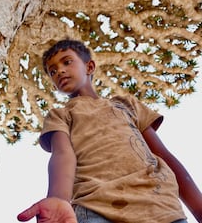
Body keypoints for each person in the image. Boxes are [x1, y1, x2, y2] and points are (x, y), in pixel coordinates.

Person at [17, 38, 202, 223]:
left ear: (89, 67)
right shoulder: (61, 114)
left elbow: (163, 155)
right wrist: (58, 199)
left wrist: (199, 208)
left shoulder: (126, 105)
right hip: (97, 207)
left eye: (67, 62)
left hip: (161, 206)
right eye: (53, 71)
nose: (60, 71)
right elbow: (63, 154)